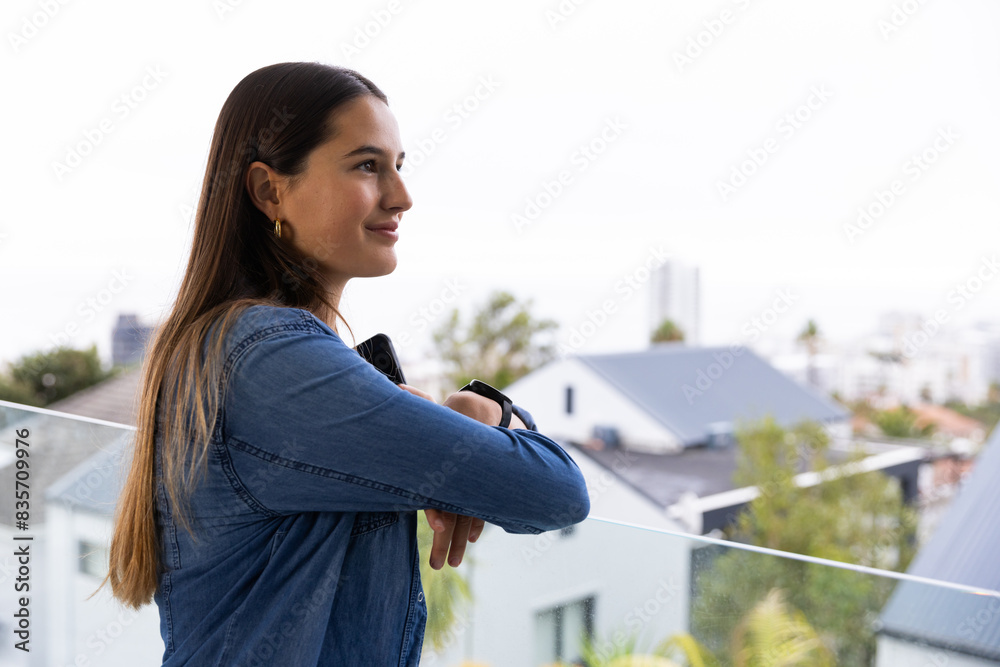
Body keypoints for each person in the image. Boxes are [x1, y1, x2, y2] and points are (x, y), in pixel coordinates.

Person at [97, 61, 590, 666]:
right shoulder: (273, 363)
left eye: (399, 166)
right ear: (269, 191)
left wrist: (478, 409)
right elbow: (557, 492)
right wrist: (484, 420)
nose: (402, 197)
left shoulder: (235, 346)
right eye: (366, 165)